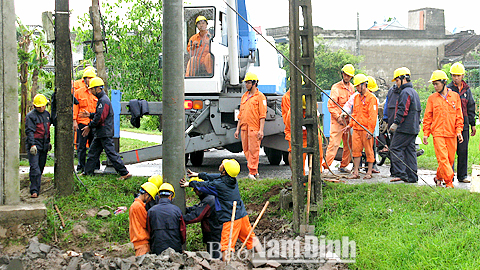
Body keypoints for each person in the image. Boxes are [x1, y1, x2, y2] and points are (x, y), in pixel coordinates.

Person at [180, 159, 263, 261]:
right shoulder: (232, 180)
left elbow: (205, 185)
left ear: (224, 171)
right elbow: (215, 177)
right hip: (242, 215)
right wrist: (197, 175)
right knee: (251, 238)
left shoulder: (219, 185)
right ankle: (263, 260)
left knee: (226, 246)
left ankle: (226, 266)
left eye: (222, 165)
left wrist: (190, 184)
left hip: (231, 218)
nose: (221, 165)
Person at [78, 77, 132, 180]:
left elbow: (100, 118)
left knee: (111, 153)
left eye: (92, 89)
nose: (91, 91)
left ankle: (124, 173)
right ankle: (87, 172)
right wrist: (89, 115)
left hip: (104, 133)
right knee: (92, 153)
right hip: (101, 132)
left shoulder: (104, 101)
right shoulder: (102, 100)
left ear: (98, 89)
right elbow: (99, 115)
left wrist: (89, 126)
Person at [423, 70, 464, 188]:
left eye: (437, 84)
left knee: (449, 159)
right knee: (443, 158)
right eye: (433, 84)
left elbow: (459, 116)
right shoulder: (432, 99)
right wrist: (426, 133)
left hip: (451, 133)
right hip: (438, 133)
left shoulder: (455, 97)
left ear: (444, 82)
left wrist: (459, 131)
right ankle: (449, 182)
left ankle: (438, 177)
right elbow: (428, 117)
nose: (435, 86)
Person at [341, 76, 380, 173]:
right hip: (356, 130)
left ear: (364, 85)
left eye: (358, 86)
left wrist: (370, 131)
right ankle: (356, 172)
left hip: (366, 130)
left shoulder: (372, 98)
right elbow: (355, 114)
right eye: (356, 86)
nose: (357, 88)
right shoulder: (356, 98)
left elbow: (373, 116)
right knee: (356, 151)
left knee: (369, 151)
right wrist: (349, 125)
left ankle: (369, 172)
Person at [388, 67, 421, 183]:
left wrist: (395, 123)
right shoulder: (414, 92)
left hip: (404, 128)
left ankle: (402, 174)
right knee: (410, 151)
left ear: (403, 79)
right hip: (413, 128)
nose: (396, 84)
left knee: (395, 148)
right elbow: (418, 110)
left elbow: (403, 110)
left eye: (397, 81)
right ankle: (412, 177)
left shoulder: (405, 92)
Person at [322, 64, 355, 173]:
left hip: (348, 120)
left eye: (349, 76)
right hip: (337, 121)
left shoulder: (352, 88)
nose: (347, 77)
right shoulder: (336, 87)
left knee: (349, 143)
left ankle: (344, 165)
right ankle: (325, 167)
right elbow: (331, 105)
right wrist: (338, 117)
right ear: (342, 74)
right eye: (345, 75)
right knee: (334, 144)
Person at [234, 72, 267, 180]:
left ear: (254, 83)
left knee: (254, 150)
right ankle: (254, 171)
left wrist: (261, 130)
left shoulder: (260, 97)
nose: (246, 85)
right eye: (246, 82)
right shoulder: (244, 96)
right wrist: (237, 129)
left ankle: (252, 172)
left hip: (254, 128)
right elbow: (240, 114)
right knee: (246, 150)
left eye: (248, 83)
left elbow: (262, 115)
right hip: (244, 127)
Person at [447, 62, 476, 183]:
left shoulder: (467, 90)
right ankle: (449, 175)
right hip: (451, 125)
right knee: (450, 151)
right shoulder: (448, 89)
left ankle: (462, 175)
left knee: (463, 151)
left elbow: (471, 107)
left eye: (458, 75)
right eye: (454, 75)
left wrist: (473, 124)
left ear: (463, 75)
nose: (456, 78)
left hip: (464, 125)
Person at [183, 177, 222, 258]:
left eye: (195, 190)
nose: (195, 193)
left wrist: (180, 219)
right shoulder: (209, 197)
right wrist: (185, 210)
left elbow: (197, 216)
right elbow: (197, 208)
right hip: (215, 232)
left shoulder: (209, 200)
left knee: (215, 258)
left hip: (214, 234)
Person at [147, 183, 186, 254]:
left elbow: (149, 231)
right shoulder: (177, 210)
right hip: (175, 247)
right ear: (170, 196)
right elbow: (182, 231)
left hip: (157, 247)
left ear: (159, 196)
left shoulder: (151, 211)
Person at [73, 67, 99, 174]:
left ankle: (95, 166)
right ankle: (81, 166)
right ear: (84, 79)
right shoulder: (78, 93)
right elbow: (75, 108)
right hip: (82, 123)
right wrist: (74, 121)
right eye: (87, 78)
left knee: (95, 145)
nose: (89, 80)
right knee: (81, 146)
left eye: (91, 78)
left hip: (93, 124)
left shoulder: (96, 92)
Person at [25, 94, 52, 198]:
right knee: (34, 167)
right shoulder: (31, 116)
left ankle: (37, 185)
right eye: (39, 106)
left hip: (44, 145)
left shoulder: (47, 115)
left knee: (40, 167)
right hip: (35, 144)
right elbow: (30, 131)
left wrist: (48, 142)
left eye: (43, 106)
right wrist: (32, 145)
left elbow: (47, 130)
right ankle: (34, 190)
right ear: (35, 106)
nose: (41, 108)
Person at [129, 182, 158, 256]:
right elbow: (146, 223)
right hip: (142, 242)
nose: (149, 200)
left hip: (139, 241)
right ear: (146, 195)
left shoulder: (136, 205)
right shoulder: (138, 206)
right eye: (150, 198)